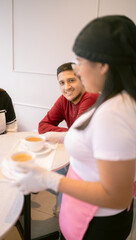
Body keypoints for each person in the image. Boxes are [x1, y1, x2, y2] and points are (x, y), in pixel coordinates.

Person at [13, 15, 136, 240]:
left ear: (102, 65)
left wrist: (47, 179)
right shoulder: (116, 97)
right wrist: (58, 137)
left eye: (80, 61)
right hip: (90, 214)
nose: (77, 71)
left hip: (97, 223)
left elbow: (117, 196)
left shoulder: (114, 114)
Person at [38, 62, 99, 134]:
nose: (67, 87)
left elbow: (78, 133)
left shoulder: (91, 96)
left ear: (82, 80)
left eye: (71, 80)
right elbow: (42, 126)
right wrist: (70, 132)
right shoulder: (64, 99)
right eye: (62, 83)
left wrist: (70, 133)